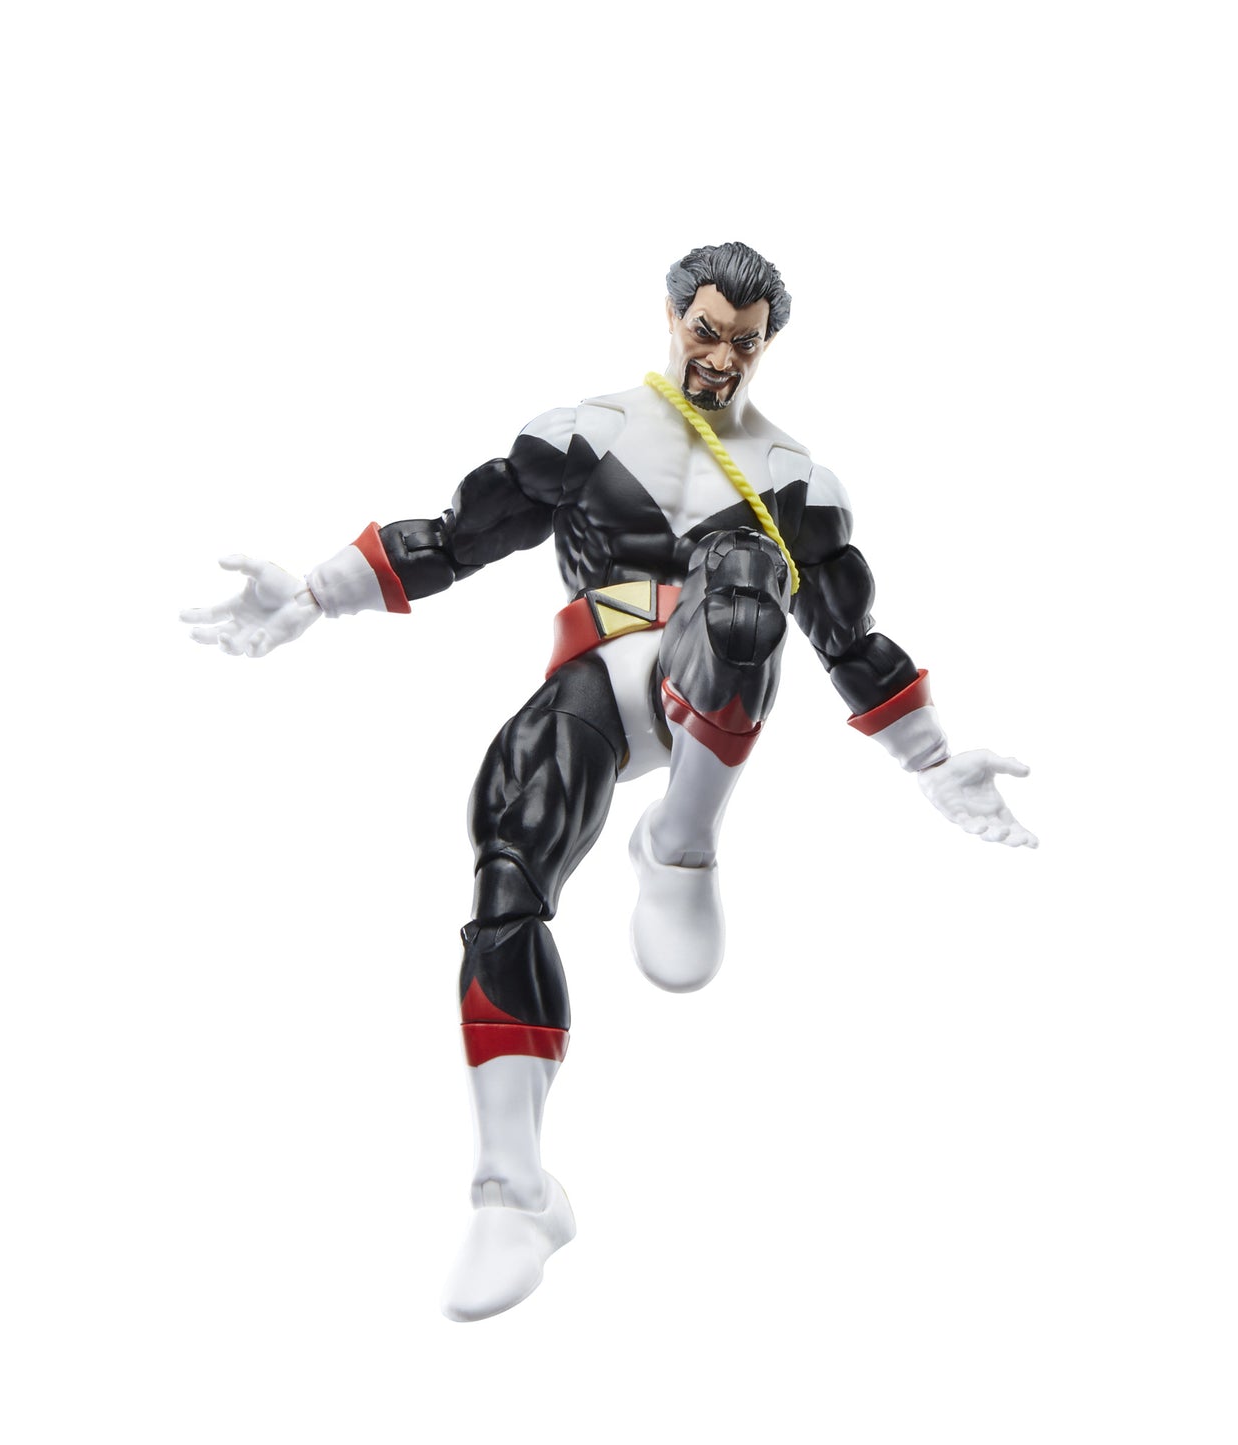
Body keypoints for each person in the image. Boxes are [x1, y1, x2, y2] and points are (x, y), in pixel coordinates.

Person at [183, 241, 1037, 1321]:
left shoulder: (791, 478)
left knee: (741, 592)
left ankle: (680, 846)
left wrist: (931, 758)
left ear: (767, 345)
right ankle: (514, 1192)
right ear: (673, 316)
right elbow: (458, 535)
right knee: (505, 872)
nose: (719, 356)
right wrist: (312, 594)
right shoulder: (588, 432)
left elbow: (844, 633)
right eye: (706, 330)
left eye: (743, 342)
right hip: (593, 677)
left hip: (710, 680)